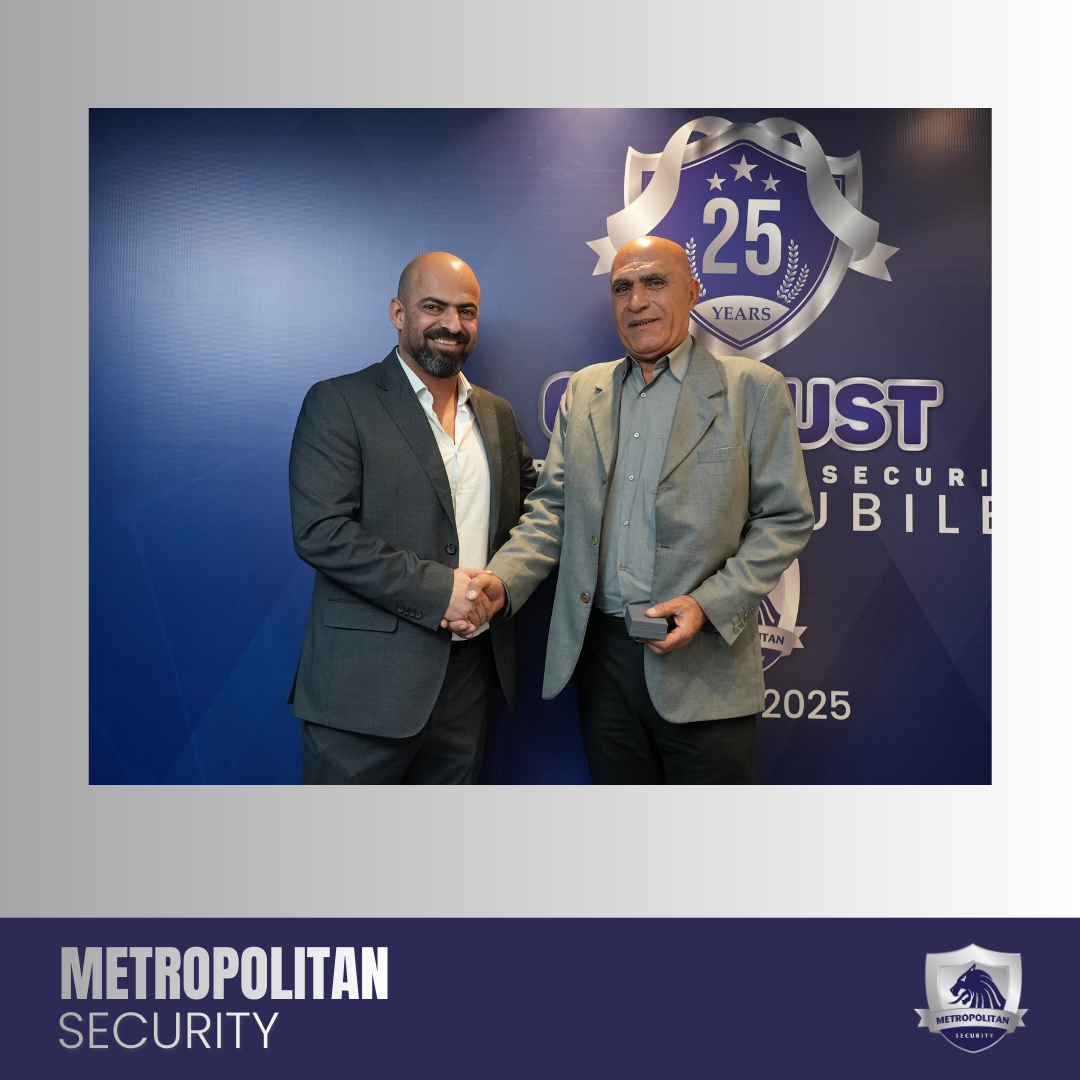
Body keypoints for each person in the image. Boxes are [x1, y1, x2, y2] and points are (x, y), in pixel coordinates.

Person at [465, 235, 813, 784]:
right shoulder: (584, 390)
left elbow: (786, 518)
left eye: (655, 282)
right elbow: (553, 510)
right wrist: (502, 580)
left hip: (704, 666)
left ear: (692, 291)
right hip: (603, 664)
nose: (637, 301)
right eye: (622, 287)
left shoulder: (753, 388)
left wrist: (708, 605)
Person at [288, 252, 536, 784]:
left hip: (469, 680)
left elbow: (535, 513)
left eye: (466, 311)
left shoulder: (497, 413)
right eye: (433, 307)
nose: (452, 324)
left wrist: (503, 582)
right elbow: (321, 532)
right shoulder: (339, 402)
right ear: (398, 313)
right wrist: (439, 590)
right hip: (363, 689)